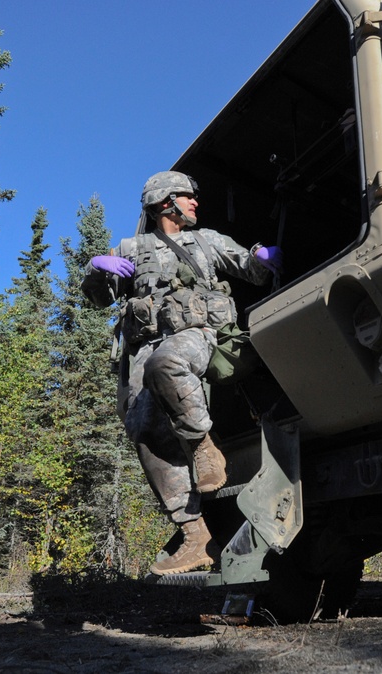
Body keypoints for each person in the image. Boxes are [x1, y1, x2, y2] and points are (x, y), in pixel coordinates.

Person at [81, 170, 281, 576]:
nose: (194, 203)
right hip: (145, 348)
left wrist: (266, 256)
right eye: (186, 197)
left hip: (199, 335)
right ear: (162, 203)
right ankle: (195, 536)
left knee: (166, 363)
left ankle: (205, 449)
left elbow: (249, 268)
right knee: (144, 432)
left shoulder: (207, 240)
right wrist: (97, 269)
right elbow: (97, 299)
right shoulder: (132, 248)